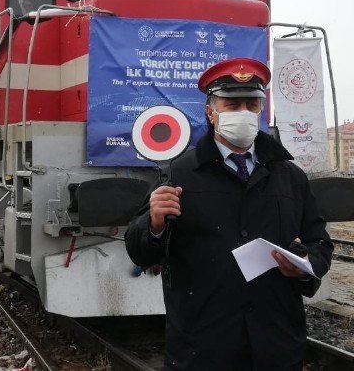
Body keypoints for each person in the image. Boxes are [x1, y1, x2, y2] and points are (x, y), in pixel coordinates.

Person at [125, 57, 333, 370]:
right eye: (232, 105)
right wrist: (153, 224)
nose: (244, 113)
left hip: (275, 343)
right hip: (203, 346)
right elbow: (139, 251)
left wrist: (304, 267)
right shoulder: (179, 173)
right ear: (211, 113)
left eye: (251, 105)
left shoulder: (290, 176)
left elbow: (320, 243)